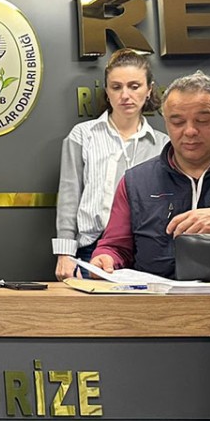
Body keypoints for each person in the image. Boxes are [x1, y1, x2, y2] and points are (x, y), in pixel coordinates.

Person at [90, 72, 210, 279]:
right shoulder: (135, 181)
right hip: (155, 296)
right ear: (166, 122)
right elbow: (115, 247)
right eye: (177, 122)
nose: (190, 131)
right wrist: (105, 258)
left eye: (202, 120)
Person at [53, 49, 168, 280]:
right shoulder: (83, 135)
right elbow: (69, 197)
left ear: (149, 89)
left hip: (144, 251)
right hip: (90, 249)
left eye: (134, 86)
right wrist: (64, 253)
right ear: (107, 91)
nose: (125, 95)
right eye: (116, 87)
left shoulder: (163, 144)